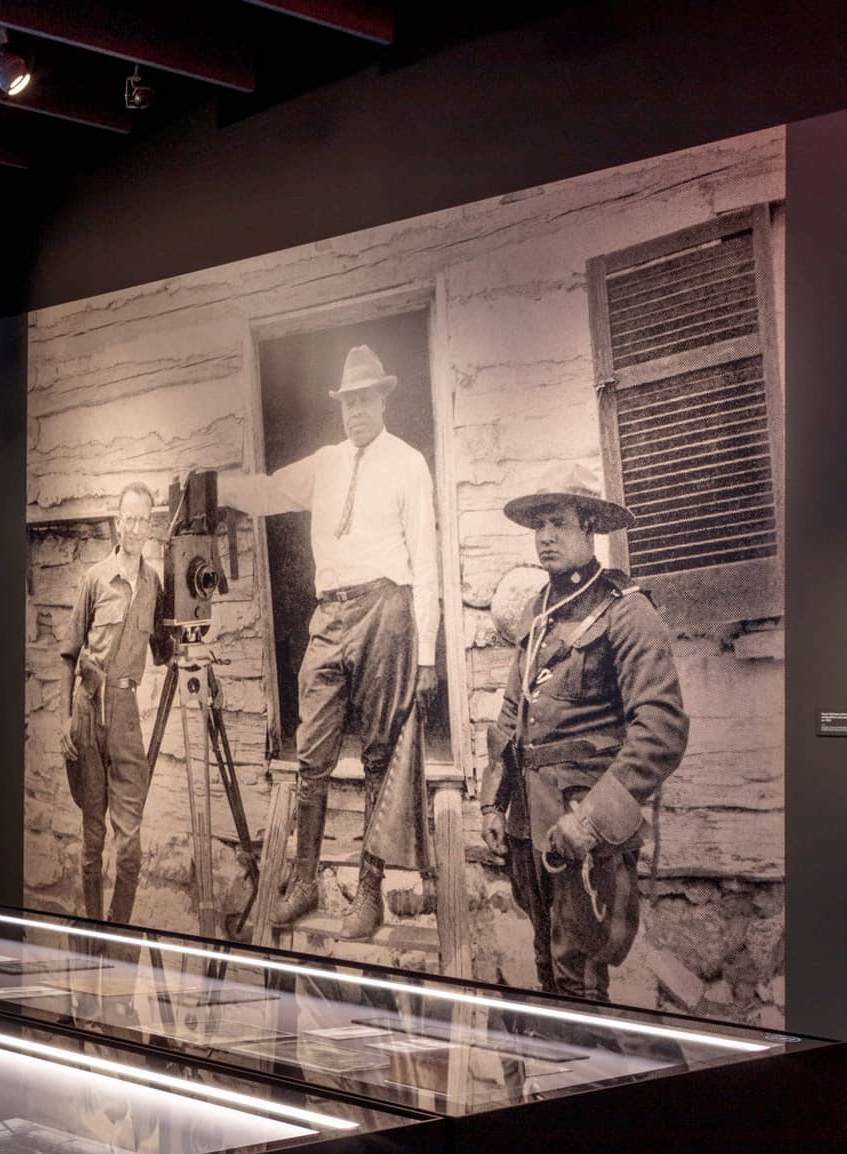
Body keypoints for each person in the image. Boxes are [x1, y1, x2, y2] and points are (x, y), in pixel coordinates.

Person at [219, 344, 441, 939]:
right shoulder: (325, 462)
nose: (356, 411)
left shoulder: (409, 464)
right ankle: (306, 877)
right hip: (331, 614)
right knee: (311, 749)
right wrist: (217, 487)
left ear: (384, 399)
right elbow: (266, 492)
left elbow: (426, 556)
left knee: (379, 753)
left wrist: (426, 654)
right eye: (347, 402)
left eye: (366, 399)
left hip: (387, 610)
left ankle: (368, 893)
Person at [480, 465, 687, 1001]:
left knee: (582, 973)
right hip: (529, 820)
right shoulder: (539, 611)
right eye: (538, 526)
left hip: (579, 821)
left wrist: (591, 823)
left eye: (558, 523)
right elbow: (512, 712)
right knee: (547, 958)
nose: (545, 537)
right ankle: (561, 1070)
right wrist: (491, 802)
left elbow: (660, 730)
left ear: (589, 528)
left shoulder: (627, 612)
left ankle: (592, 1076)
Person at [59, 481, 174, 923]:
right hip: (88, 711)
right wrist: (68, 720)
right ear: (117, 522)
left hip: (125, 717)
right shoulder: (95, 579)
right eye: (129, 518)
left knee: (129, 847)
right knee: (92, 838)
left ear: (150, 526)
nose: (135, 527)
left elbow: (163, 650)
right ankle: (91, 930)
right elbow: (69, 654)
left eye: (144, 519)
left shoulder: (153, 584)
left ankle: (118, 931)